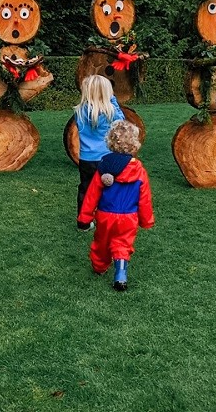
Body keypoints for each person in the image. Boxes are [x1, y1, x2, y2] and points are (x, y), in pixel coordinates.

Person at [76, 120, 154, 291]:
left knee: (101, 242)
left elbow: (92, 194)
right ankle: (120, 274)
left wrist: (85, 216)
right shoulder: (139, 170)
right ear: (134, 144)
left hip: (105, 215)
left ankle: (99, 266)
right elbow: (145, 198)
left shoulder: (104, 166)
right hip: (128, 217)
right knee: (122, 243)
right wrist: (146, 220)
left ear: (110, 141)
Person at [74, 75, 124, 224]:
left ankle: (83, 222)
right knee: (109, 189)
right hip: (107, 158)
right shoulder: (111, 112)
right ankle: (107, 220)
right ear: (107, 92)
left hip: (86, 158)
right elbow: (121, 121)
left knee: (86, 190)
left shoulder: (79, 111)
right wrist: (113, 101)